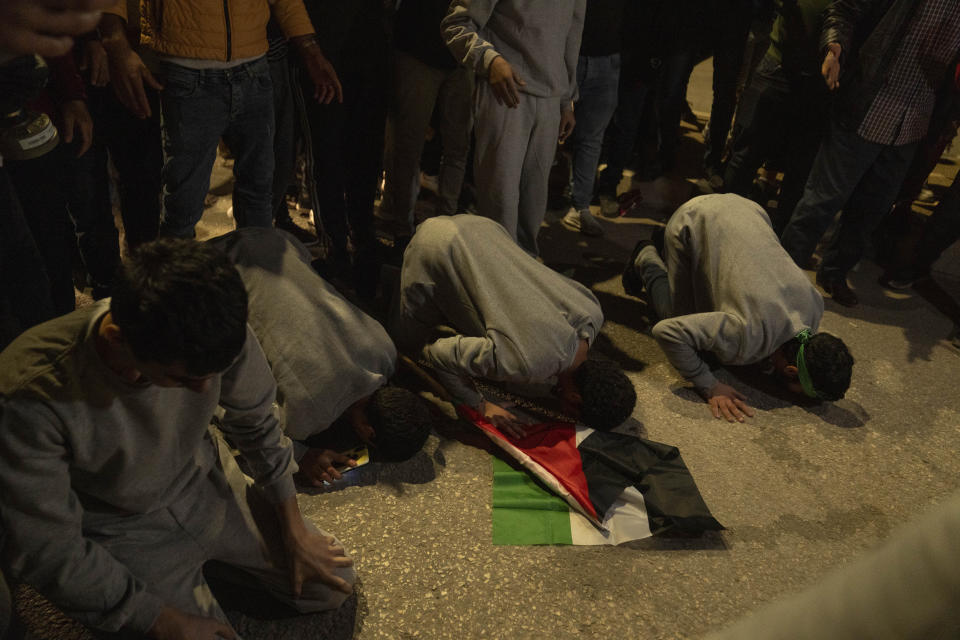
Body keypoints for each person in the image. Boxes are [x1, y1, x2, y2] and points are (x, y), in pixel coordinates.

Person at [0, 239, 355, 638]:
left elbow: (256, 421)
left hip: (202, 484)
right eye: (182, 379)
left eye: (210, 375)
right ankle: (191, 580)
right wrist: (158, 619)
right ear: (118, 339)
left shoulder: (213, 327)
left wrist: (293, 527)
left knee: (332, 583)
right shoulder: (27, 393)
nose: (204, 392)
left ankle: (213, 568)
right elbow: (46, 548)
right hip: (120, 528)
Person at [209, 227, 433, 487]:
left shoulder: (385, 352)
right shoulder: (304, 418)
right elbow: (247, 425)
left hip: (272, 241)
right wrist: (301, 455)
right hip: (208, 272)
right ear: (369, 432)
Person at [99, 0, 341, 238]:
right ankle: (175, 275)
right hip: (188, 69)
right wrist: (116, 44)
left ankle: (253, 272)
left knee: (258, 197)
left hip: (254, 67)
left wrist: (310, 49)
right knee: (184, 204)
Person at [779, 0, 960, 306]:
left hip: (914, 122)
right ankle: (778, 272)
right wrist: (834, 49)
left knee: (871, 211)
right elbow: (845, 9)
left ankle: (834, 272)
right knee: (821, 200)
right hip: (869, 103)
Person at [391, 215, 636, 438]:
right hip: (436, 246)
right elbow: (436, 354)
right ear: (574, 399)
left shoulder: (593, 313)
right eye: (572, 416)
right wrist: (477, 402)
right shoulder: (528, 364)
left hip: (483, 227)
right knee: (405, 342)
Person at [622, 194, 853, 422]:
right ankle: (647, 257)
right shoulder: (745, 336)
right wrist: (708, 384)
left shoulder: (814, 307)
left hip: (747, 209)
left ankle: (678, 245)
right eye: (800, 392)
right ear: (791, 371)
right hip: (691, 219)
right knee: (683, 324)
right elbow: (668, 332)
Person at [442, 0, 585, 255]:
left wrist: (566, 100)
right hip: (506, 93)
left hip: (550, 99)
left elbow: (571, 34)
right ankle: (494, 282)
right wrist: (489, 60)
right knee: (500, 207)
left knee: (531, 211)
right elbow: (457, 24)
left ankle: (522, 281)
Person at [722, 0, 833, 232]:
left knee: (800, 169)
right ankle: (722, 226)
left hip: (820, 80)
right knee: (747, 154)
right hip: (780, 65)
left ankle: (778, 239)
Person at [380, 0, 474, 245]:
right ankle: (401, 227)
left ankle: (448, 223)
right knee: (408, 144)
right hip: (417, 48)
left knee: (458, 144)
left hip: (461, 56)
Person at [560, 0, 626, 237]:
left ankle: (580, 207)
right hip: (567, 56)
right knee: (546, 133)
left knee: (591, 138)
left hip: (607, 58)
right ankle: (526, 208)